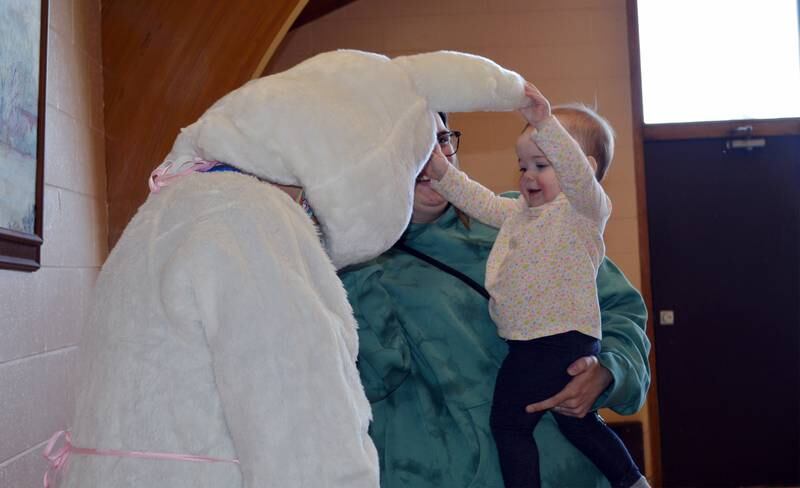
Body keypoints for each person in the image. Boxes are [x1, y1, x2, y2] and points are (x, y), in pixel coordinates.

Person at [340, 108, 651, 488]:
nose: (430, 157)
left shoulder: (534, 217)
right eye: (412, 144)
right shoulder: (350, 268)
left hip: (577, 473)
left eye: (439, 141)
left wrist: (608, 372)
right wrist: (346, 256)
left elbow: (621, 311)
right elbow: (368, 380)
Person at [425, 82, 646, 488]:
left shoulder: (582, 211)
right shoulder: (520, 215)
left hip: (553, 340)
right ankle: (631, 480)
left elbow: (576, 175)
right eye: (523, 165)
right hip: (542, 341)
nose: (527, 176)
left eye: (541, 165)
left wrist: (543, 122)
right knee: (576, 424)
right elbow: (478, 199)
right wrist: (440, 170)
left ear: (585, 167)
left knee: (510, 425)